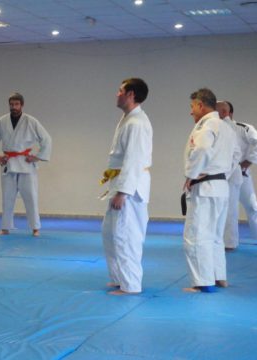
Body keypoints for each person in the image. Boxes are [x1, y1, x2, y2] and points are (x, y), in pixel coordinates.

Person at [100, 78, 152, 296]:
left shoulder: (136, 123)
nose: (116, 94)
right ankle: (119, 277)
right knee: (110, 235)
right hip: (120, 182)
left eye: (120, 90)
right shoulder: (128, 119)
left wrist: (123, 192)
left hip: (129, 189)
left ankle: (130, 285)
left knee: (125, 236)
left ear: (130, 94)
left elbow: (134, 159)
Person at [182, 88, 235, 293]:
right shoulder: (226, 127)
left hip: (205, 188)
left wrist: (191, 174)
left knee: (196, 235)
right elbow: (234, 158)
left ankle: (202, 281)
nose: (191, 112)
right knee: (215, 235)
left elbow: (202, 149)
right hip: (221, 186)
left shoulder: (207, 125)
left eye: (192, 106)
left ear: (201, 105)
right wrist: (220, 175)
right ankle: (218, 276)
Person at [0, 93, 52, 237]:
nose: (14, 107)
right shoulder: (2, 121)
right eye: (11, 104)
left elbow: (46, 139)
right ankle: (5, 227)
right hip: (8, 163)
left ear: (22, 105)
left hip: (26, 163)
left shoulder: (31, 121)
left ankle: (35, 228)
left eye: (16, 104)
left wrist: (37, 157)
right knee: (7, 197)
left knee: (31, 196)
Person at [216, 101, 257, 250]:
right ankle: (230, 243)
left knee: (253, 207)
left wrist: (247, 162)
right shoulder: (214, 129)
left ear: (228, 112)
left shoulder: (243, 128)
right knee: (229, 209)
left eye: (219, 110)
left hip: (242, 173)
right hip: (224, 175)